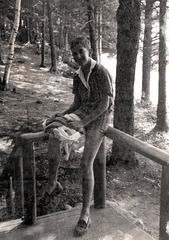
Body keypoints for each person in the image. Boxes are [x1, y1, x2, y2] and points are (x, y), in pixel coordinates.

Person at [44, 36, 113, 237]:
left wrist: (82, 123)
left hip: (99, 120)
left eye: (81, 51)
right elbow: (77, 103)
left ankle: (85, 214)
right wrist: (63, 115)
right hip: (83, 114)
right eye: (74, 53)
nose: (78, 56)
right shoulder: (78, 75)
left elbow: (104, 105)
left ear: (88, 50)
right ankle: (53, 181)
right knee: (53, 130)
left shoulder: (101, 72)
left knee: (85, 164)